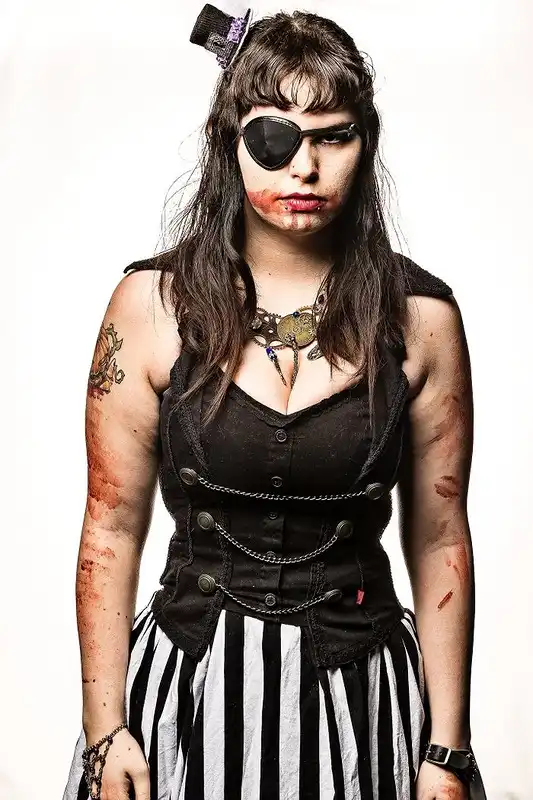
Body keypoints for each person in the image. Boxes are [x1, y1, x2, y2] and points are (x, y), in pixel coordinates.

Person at [63, 4, 486, 799]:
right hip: (188, 689)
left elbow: (440, 537)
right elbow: (110, 528)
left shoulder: (423, 319)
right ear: (229, 141)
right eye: (274, 137)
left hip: (361, 695)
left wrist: (445, 750)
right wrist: (105, 731)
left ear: (365, 144)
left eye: (333, 136)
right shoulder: (149, 306)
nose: (305, 168)